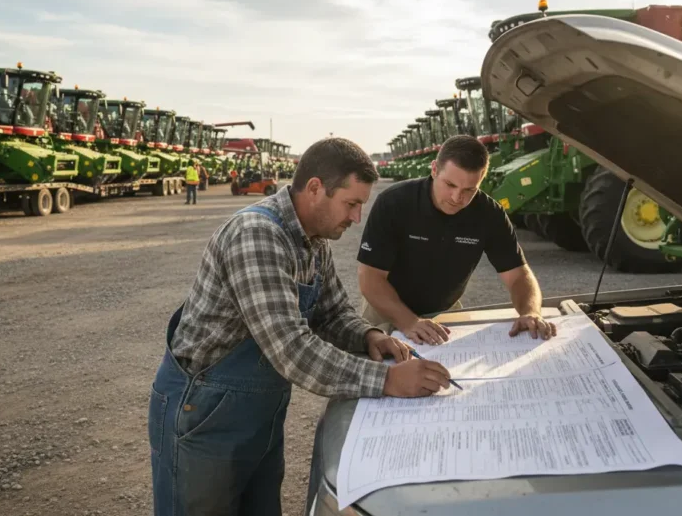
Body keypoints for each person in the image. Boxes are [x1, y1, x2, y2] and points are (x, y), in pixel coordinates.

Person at [149, 137, 452, 516]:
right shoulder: (257, 235)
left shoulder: (313, 242)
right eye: (352, 203)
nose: (356, 217)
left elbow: (332, 313)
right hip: (205, 416)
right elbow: (291, 347)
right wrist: (388, 380)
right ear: (314, 189)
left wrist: (370, 336)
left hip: (257, 415)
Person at [356, 134, 557, 345]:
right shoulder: (394, 203)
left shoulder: (489, 214)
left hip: (445, 313)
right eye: (450, 185)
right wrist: (410, 322)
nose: (456, 198)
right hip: (385, 310)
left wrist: (530, 312)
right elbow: (370, 278)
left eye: (469, 189)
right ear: (434, 169)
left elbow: (518, 275)